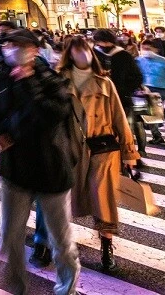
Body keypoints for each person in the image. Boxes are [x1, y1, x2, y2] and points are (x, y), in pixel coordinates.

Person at [0, 29, 81, 295]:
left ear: (35, 50)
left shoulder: (51, 80)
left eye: (20, 45)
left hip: (51, 167)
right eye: (9, 45)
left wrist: (28, 84)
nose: (13, 49)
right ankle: (16, 289)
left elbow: (53, 115)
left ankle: (67, 288)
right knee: (10, 237)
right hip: (15, 168)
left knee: (61, 239)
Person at [57, 36, 138, 271]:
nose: (83, 55)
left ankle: (106, 245)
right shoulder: (59, 82)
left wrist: (129, 153)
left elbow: (119, 119)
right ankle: (53, 242)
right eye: (77, 51)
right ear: (69, 54)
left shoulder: (104, 83)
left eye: (86, 50)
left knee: (104, 198)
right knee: (65, 199)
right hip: (71, 149)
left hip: (103, 148)